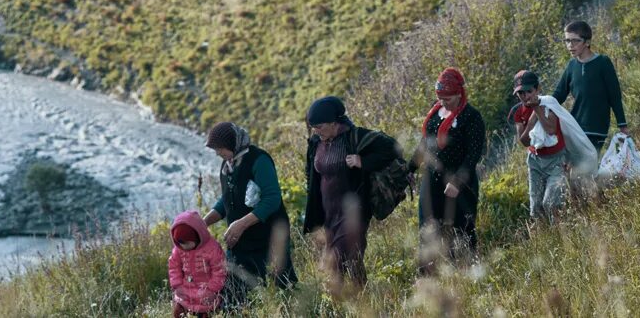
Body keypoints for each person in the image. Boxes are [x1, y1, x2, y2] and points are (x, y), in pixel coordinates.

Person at [302, 96, 399, 287]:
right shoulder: (316, 142)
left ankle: (355, 301)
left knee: (343, 258)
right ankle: (357, 299)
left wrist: (363, 162)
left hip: (354, 210)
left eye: (320, 126)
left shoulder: (356, 137)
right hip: (329, 212)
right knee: (345, 261)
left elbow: (393, 148)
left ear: (334, 123)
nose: (316, 131)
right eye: (313, 127)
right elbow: (311, 171)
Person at [201, 121, 296, 308]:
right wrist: (203, 223)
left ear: (233, 145)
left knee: (281, 289)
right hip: (241, 241)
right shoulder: (227, 165)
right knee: (233, 295)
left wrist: (240, 224)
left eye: (220, 148)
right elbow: (226, 200)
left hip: (268, 237)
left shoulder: (259, 161)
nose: (217, 153)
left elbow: (271, 199)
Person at [415, 67, 486, 268]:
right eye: (440, 98)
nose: (443, 102)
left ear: (459, 94)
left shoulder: (471, 117)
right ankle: (427, 275)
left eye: (448, 98)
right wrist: (409, 169)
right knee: (427, 228)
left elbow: (473, 155)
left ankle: (466, 271)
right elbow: (424, 144)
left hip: (460, 180)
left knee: (463, 229)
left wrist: (457, 181)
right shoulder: (436, 112)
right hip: (433, 179)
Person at [552, 19, 629, 151]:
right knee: (574, 168)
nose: (570, 45)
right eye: (567, 41)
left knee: (587, 167)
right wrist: (541, 105)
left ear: (587, 42)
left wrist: (622, 125)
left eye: (575, 40)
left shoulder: (603, 63)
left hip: (597, 128)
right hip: (575, 126)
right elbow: (559, 94)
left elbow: (614, 96)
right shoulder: (571, 66)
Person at [510, 69, 567, 221]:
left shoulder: (549, 104)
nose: (525, 96)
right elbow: (523, 141)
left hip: (556, 160)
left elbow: (550, 129)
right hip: (535, 161)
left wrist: (537, 109)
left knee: (551, 203)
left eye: (528, 91)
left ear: (537, 89)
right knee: (536, 207)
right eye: (520, 93)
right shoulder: (518, 112)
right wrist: (530, 123)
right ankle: (542, 239)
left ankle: (563, 237)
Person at [167, 210, 227, 318]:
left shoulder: (212, 248)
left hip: (206, 291)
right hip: (185, 289)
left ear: (197, 237)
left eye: (186, 243)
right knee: (178, 312)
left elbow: (219, 270)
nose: (183, 247)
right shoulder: (179, 249)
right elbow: (174, 267)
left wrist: (212, 289)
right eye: (179, 243)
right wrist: (177, 285)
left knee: (205, 312)